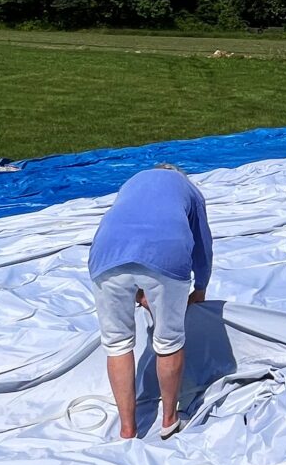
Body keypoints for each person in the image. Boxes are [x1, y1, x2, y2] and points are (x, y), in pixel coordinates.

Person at [88, 165, 213, 439]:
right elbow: (202, 247)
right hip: (167, 254)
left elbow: (131, 239)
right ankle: (169, 420)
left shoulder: (132, 181)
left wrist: (138, 291)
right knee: (168, 341)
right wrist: (200, 288)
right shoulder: (190, 190)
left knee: (117, 344)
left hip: (105, 257)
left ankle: (127, 428)